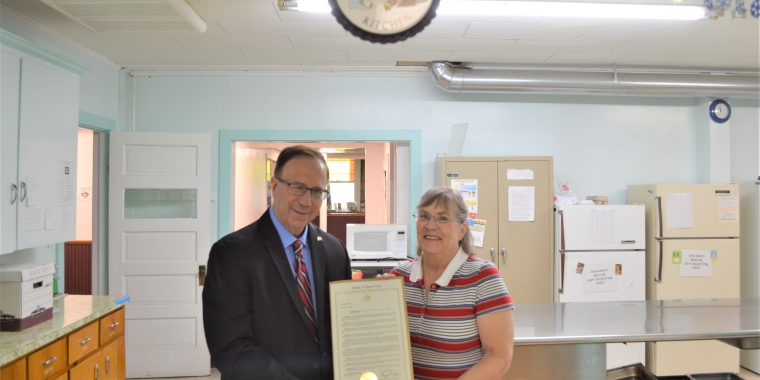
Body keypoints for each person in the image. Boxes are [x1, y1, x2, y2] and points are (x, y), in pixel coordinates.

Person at [203, 145, 352, 380]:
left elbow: (345, 329)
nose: (306, 201)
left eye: (316, 191)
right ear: (274, 186)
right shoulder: (231, 254)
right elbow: (230, 348)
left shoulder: (336, 252)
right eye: (297, 188)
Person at [389, 186, 515, 380]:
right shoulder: (398, 276)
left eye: (442, 218)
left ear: (462, 230)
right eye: (424, 216)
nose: (431, 225)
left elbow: (499, 357)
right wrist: (377, 299)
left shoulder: (483, 277)